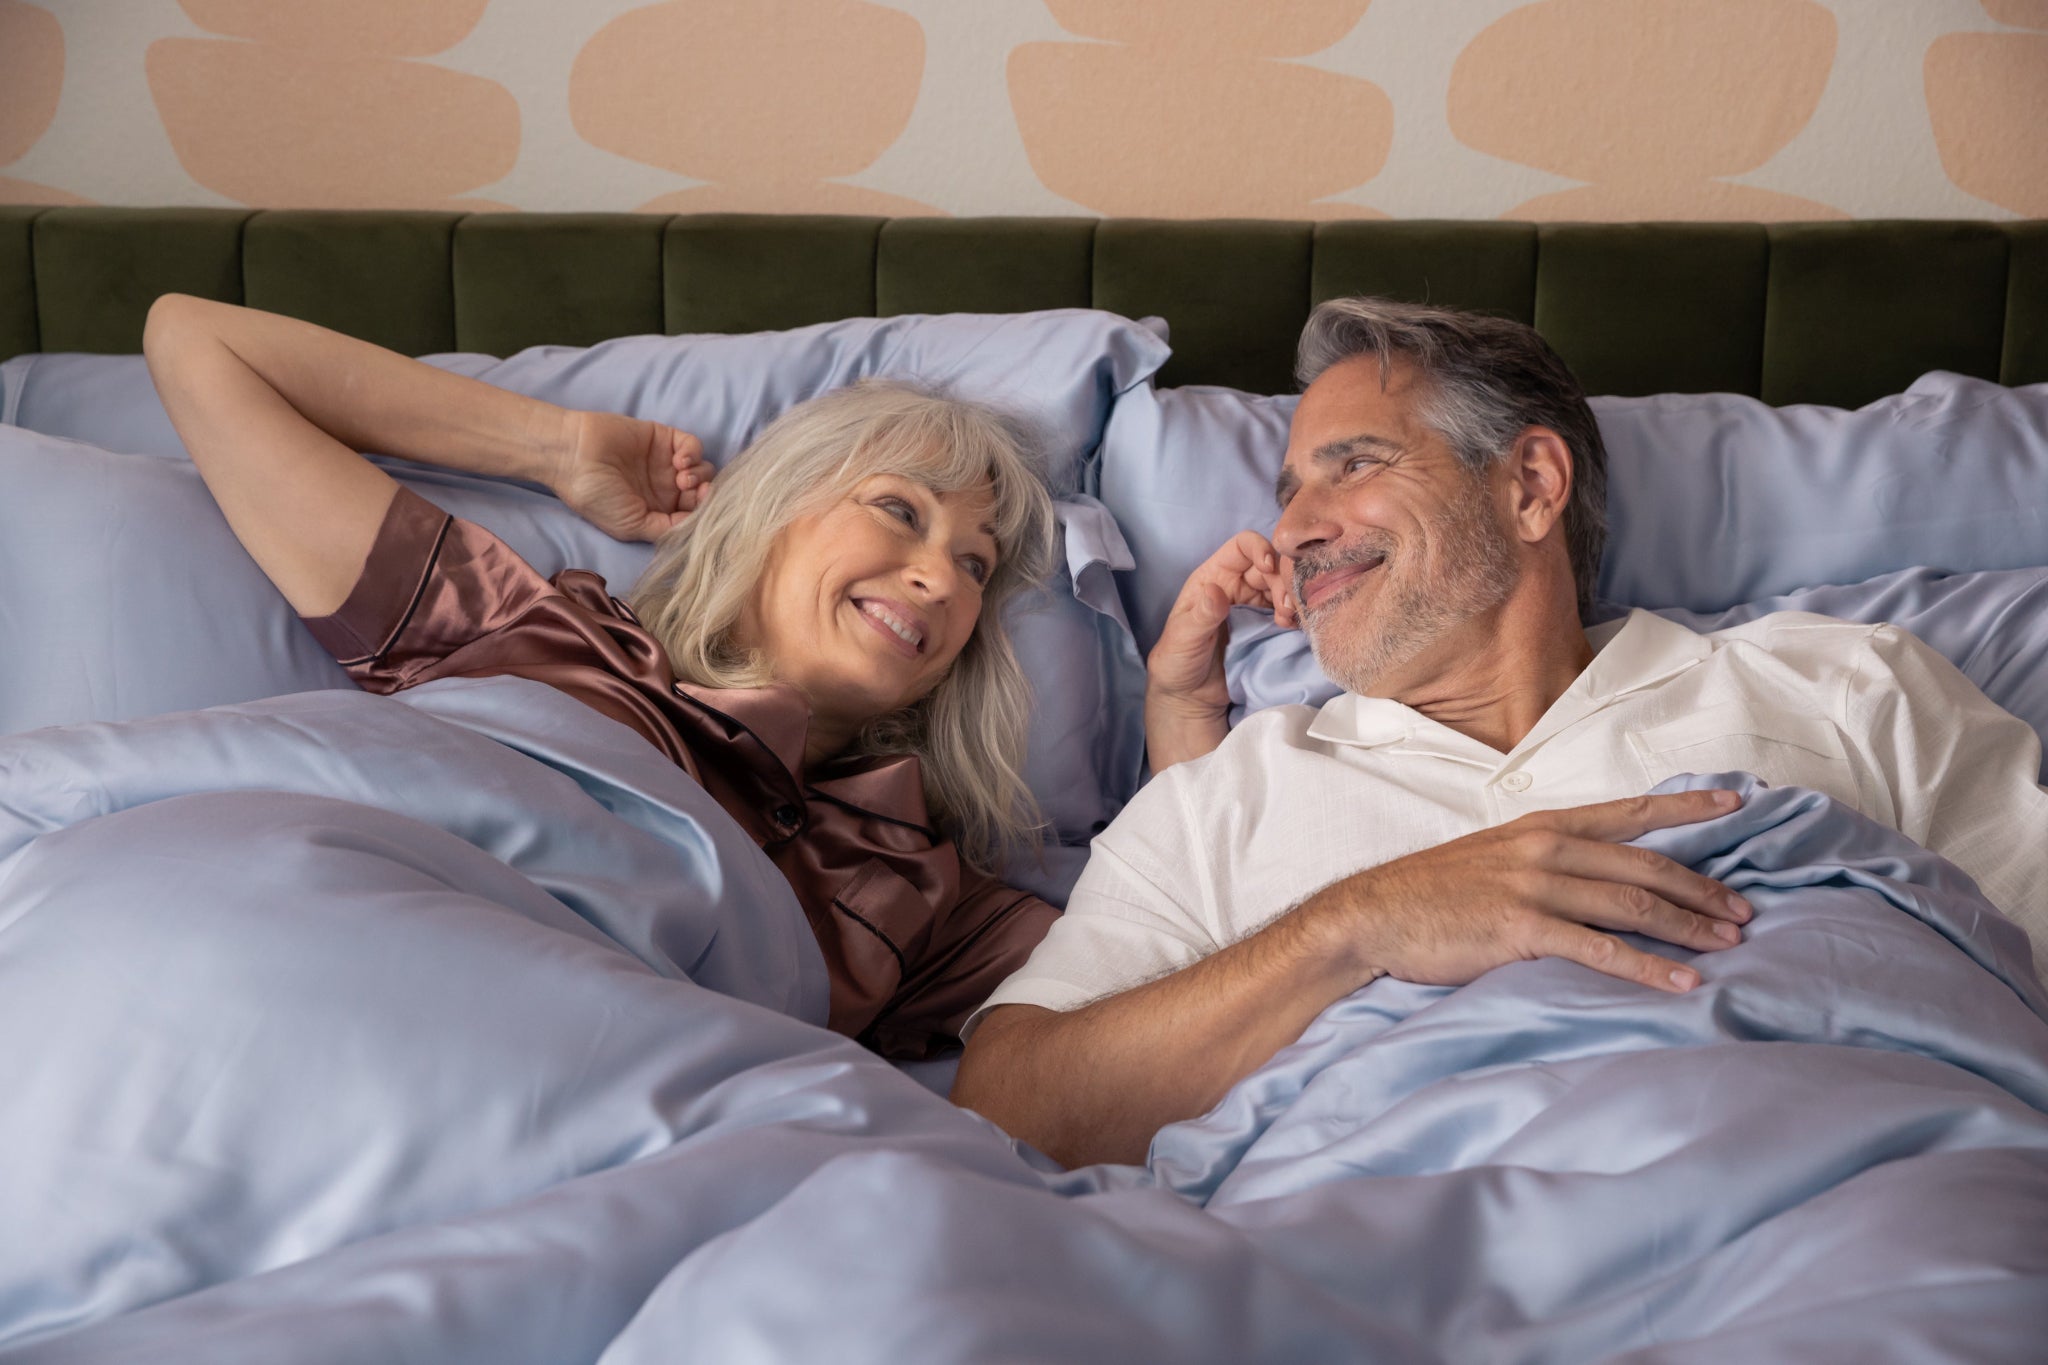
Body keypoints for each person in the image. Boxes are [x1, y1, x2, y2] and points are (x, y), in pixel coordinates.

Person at [953, 295, 2048, 1168]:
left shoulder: (1839, 686)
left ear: (1529, 485)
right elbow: (1010, 1104)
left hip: (1833, 1198)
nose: (1287, 530)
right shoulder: (1221, 796)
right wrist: (1357, 925)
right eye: (1285, 490)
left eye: (1353, 464)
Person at [142, 294, 1061, 1061]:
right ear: (768, 512)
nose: (940, 578)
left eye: (975, 566)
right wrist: (555, 449)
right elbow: (197, 341)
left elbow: (1161, 976)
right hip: (305, 971)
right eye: (900, 509)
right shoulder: (530, 634)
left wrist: (1177, 731)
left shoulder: (917, 886)